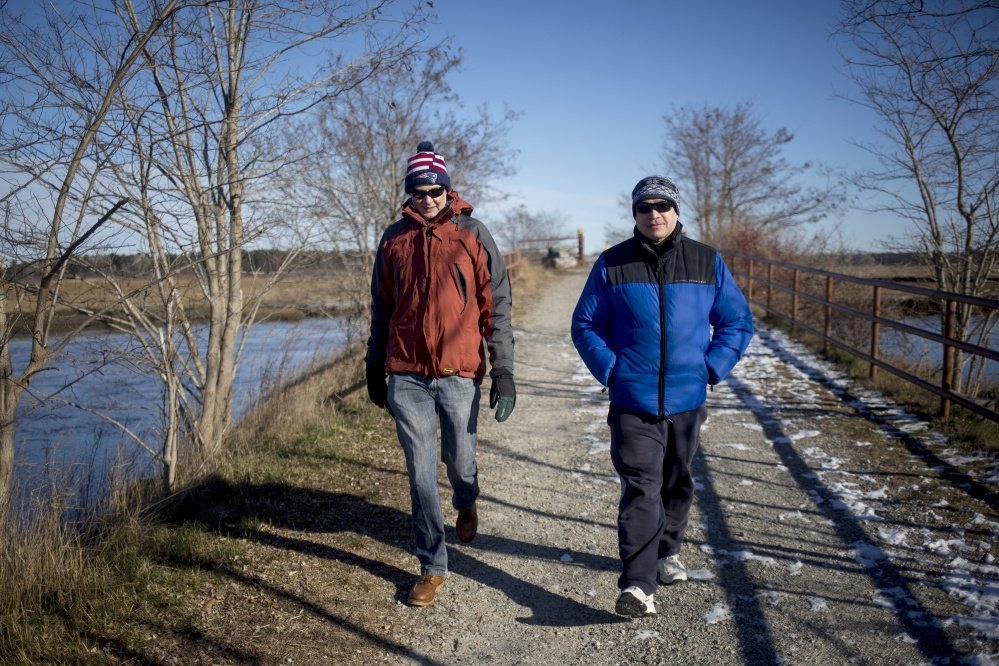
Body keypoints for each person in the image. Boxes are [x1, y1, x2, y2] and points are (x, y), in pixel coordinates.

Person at [571, 175, 753, 618]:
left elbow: (736, 322)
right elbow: (585, 325)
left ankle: (668, 551)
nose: (654, 214)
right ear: (634, 214)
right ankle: (638, 584)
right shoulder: (612, 263)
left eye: (662, 206)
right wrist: (612, 370)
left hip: (687, 398)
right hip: (633, 400)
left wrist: (711, 367)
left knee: (677, 480)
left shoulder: (706, 261)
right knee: (641, 487)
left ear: (676, 210)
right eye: (644, 207)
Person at [365, 141, 516, 607]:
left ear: (448, 190)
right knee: (420, 474)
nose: (427, 199)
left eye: (434, 190)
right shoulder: (394, 239)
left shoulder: (472, 234)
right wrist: (375, 364)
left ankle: (467, 499)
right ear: (408, 194)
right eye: (418, 192)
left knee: (459, 463)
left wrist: (504, 371)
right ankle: (431, 565)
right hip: (407, 375)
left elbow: (498, 306)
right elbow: (381, 309)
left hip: (459, 374)